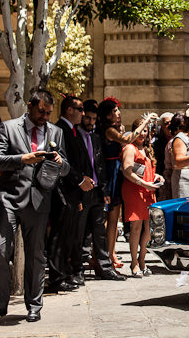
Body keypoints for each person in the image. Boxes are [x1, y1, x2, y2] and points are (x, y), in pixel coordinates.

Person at [0, 89, 70, 326]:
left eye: (49, 113)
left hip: (39, 200)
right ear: (30, 106)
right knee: (0, 251)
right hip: (9, 198)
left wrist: (62, 164)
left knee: (35, 255)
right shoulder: (9, 128)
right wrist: (23, 159)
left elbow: (65, 169)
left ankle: (34, 306)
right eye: (41, 111)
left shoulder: (56, 132)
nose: (44, 116)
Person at [66, 99, 125, 285]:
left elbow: (100, 165)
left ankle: (105, 267)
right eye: (88, 118)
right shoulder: (74, 137)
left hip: (98, 191)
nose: (91, 122)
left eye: (93, 119)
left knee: (100, 230)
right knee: (81, 232)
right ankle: (78, 270)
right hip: (82, 190)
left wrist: (105, 189)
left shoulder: (96, 137)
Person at [46, 95, 86, 293]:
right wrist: (79, 180)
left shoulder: (73, 131)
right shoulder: (59, 129)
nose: (83, 114)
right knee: (59, 236)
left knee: (68, 236)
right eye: (80, 109)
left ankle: (63, 272)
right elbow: (62, 161)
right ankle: (55, 277)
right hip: (62, 190)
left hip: (72, 193)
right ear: (69, 110)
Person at [120, 117, 161, 277]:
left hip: (148, 190)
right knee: (136, 228)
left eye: (145, 130)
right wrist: (145, 184)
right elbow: (127, 171)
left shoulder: (147, 149)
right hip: (135, 190)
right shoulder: (130, 148)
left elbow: (146, 170)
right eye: (140, 130)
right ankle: (134, 263)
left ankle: (142, 260)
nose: (143, 133)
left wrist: (156, 177)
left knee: (149, 229)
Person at [95, 98, 133, 269]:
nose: (119, 113)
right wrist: (145, 122)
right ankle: (104, 256)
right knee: (109, 219)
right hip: (109, 173)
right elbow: (128, 140)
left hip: (113, 172)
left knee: (111, 219)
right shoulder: (109, 130)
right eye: (116, 110)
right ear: (108, 114)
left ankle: (109, 253)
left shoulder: (110, 129)